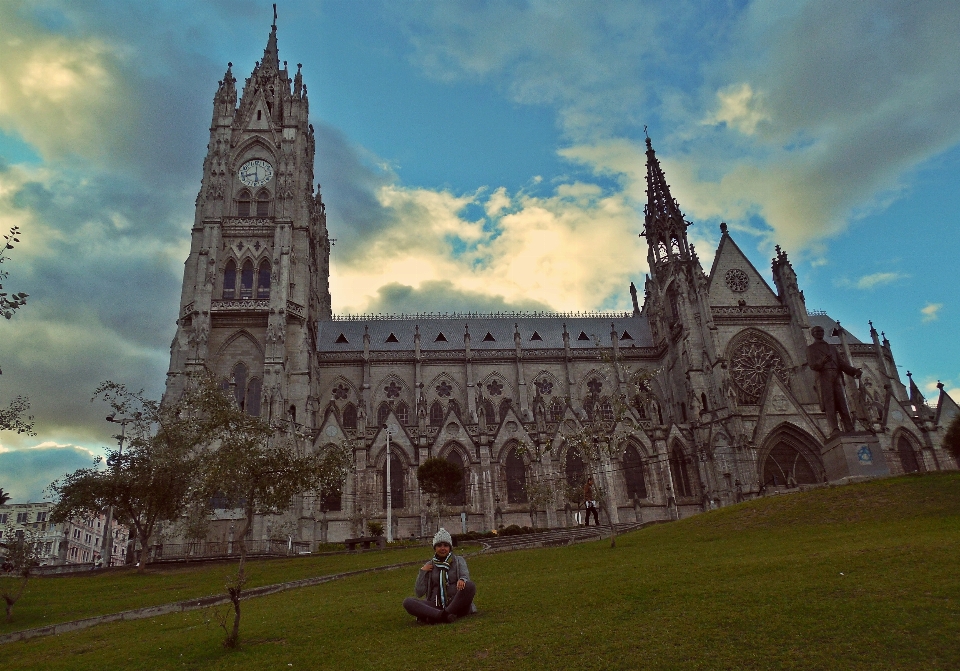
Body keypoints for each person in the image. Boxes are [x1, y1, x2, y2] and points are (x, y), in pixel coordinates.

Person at [402, 528, 477, 624]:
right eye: (439, 545)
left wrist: (462, 580)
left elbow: (465, 576)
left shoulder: (458, 561)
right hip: (435, 604)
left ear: (450, 547)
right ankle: (443, 616)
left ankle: (437, 615)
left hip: (456, 603)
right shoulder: (429, 565)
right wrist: (422, 572)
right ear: (435, 548)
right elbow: (419, 593)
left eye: (446, 545)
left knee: (470, 586)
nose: (442, 548)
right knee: (408, 602)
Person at [806, 325, 862, 435]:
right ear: (813, 334)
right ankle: (834, 428)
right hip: (824, 377)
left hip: (837, 376)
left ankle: (849, 427)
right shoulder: (810, 349)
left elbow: (841, 363)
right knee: (829, 404)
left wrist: (854, 371)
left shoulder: (832, 348)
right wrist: (822, 361)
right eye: (817, 331)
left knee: (843, 403)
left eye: (821, 331)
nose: (820, 333)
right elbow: (812, 366)